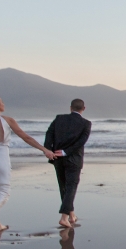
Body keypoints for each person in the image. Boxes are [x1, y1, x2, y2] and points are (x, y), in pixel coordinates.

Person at [0, 94, 56, 235]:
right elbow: (25, 137)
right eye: (2, 102)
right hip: (0, 158)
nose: (4, 104)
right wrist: (45, 149)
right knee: (4, 191)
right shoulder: (7, 120)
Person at [44, 98, 92, 229]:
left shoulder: (59, 119)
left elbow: (49, 133)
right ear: (84, 108)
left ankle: (71, 215)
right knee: (71, 187)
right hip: (73, 159)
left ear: (70, 108)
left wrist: (48, 150)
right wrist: (66, 152)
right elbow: (81, 142)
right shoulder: (86, 123)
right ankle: (64, 217)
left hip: (56, 157)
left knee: (63, 186)